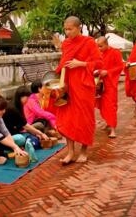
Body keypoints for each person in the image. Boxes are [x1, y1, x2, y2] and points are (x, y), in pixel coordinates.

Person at [55, 16, 102, 164]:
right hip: (68, 85)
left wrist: (81, 64)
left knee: (84, 119)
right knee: (67, 119)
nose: (67, 32)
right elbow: (63, 63)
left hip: (83, 86)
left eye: (70, 29)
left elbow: (99, 62)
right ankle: (70, 152)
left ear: (78, 27)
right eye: (65, 29)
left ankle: (83, 151)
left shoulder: (89, 42)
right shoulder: (66, 44)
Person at [96, 36, 124, 138]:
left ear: (107, 44)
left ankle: (113, 129)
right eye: (97, 46)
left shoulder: (115, 52)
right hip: (100, 83)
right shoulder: (98, 53)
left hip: (110, 83)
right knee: (102, 105)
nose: (99, 49)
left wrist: (107, 72)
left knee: (111, 106)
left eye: (101, 46)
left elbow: (120, 66)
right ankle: (108, 123)